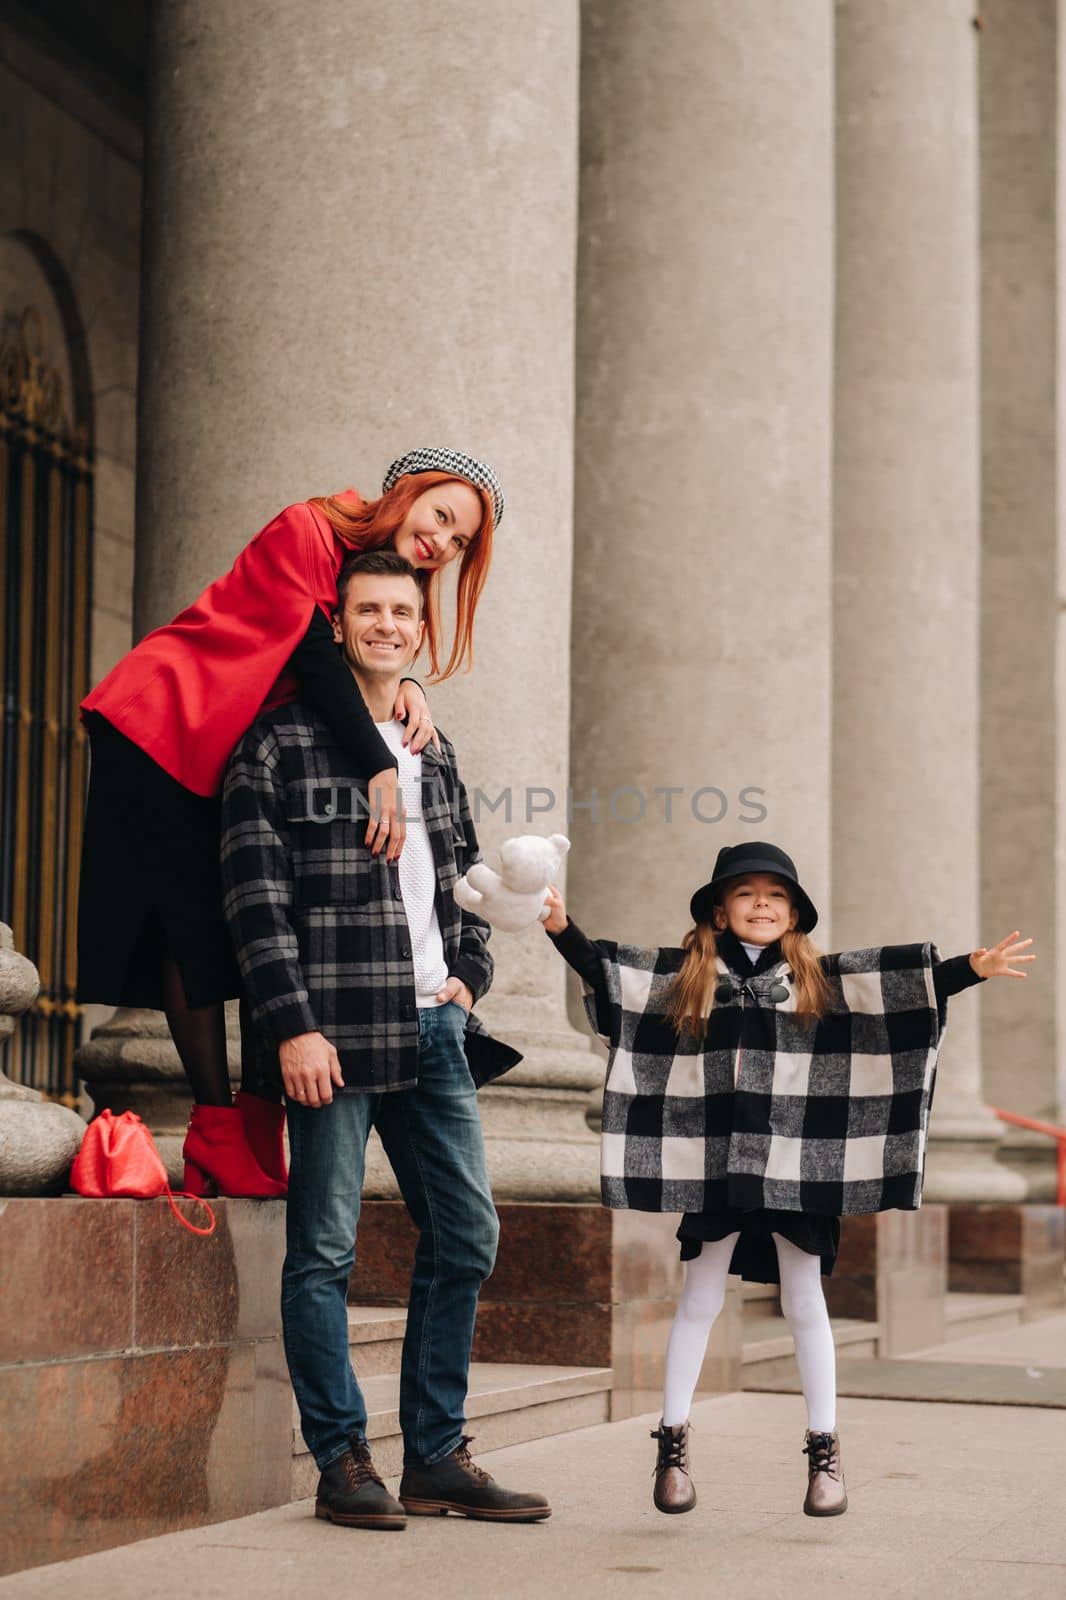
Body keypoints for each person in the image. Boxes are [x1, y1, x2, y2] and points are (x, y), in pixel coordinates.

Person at [543, 840, 1033, 1519]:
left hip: (799, 1163)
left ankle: (824, 1454)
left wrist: (971, 969)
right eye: (746, 894)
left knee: (805, 1297)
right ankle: (672, 1446)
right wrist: (560, 926)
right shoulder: (687, 977)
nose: (762, 905)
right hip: (717, 1162)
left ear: (795, 914)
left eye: (776, 896)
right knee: (700, 1296)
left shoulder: (816, 981)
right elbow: (609, 972)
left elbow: (894, 989)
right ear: (719, 911)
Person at [220, 550, 551, 1530]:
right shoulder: (275, 743)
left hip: (433, 1029)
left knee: (467, 1232)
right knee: (322, 1249)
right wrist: (293, 1026)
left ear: (420, 628)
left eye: (403, 612)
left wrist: (469, 973)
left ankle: (438, 1453)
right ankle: (342, 1461)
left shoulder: (429, 745)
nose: (388, 625)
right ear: (337, 622)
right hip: (332, 1032)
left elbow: (466, 885)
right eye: (369, 610)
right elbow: (253, 899)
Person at [77, 447, 502, 1197]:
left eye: (460, 541)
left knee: (248, 930)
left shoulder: (367, 578)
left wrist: (408, 686)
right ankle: (216, 1125)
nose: (442, 542)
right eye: (441, 516)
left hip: (220, 745)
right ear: (405, 496)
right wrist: (378, 762)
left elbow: (352, 650)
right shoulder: (310, 527)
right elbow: (312, 650)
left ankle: (244, 1128)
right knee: (193, 926)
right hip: (164, 722)